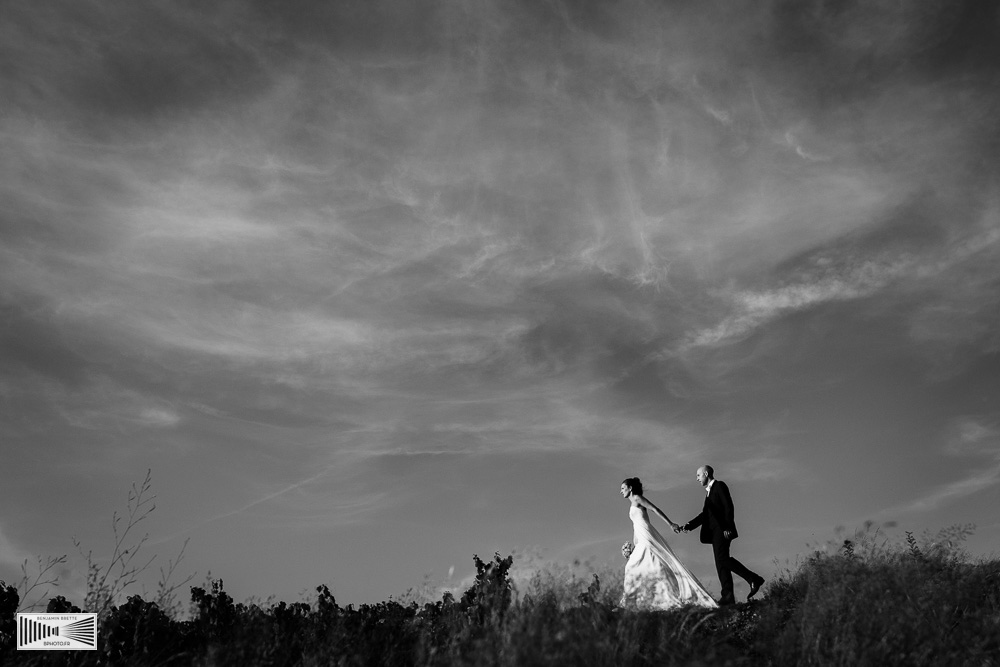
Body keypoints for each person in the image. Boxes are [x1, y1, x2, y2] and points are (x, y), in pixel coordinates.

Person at [619, 477, 717, 610]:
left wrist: (670, 524)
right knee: (633, 565)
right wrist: (633, 544)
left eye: (623, 488)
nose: (621, 491)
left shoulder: (637, 498)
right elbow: (636, 525)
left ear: (630, 488)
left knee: (646, 561)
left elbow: (655, 509)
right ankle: (635, 600)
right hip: (640, 535)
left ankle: (655, 596)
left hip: (646, 534)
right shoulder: (632, 503)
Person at [676, 465, 765, 605]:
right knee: (720, 563)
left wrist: (728, 527)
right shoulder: (708, 493)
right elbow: (705, 515)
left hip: (722, 530)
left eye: (698, 475)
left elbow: (728, 506)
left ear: (706, 474)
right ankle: (728, 596)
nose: (697, 478)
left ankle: (753, 579)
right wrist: (688, 526)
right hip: (714, 533)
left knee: (723, 560)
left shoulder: (719, 486)